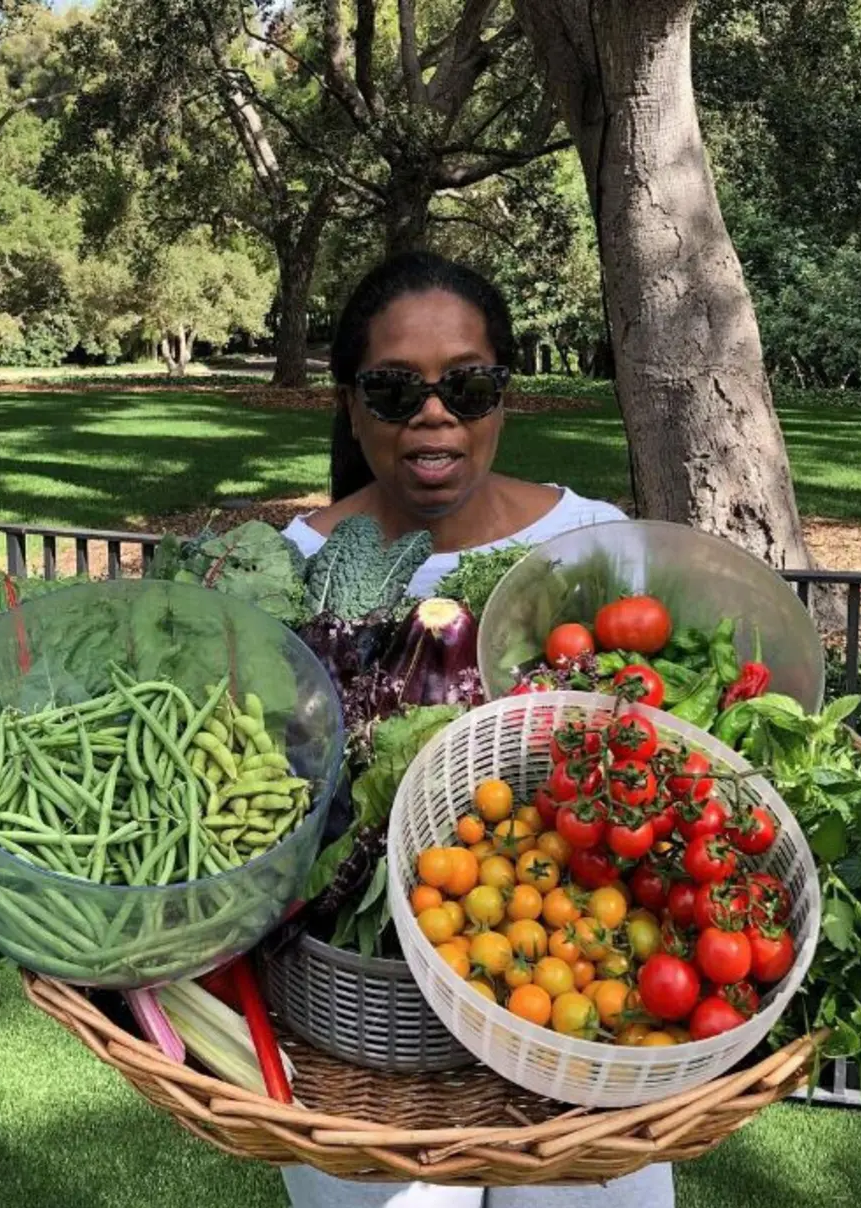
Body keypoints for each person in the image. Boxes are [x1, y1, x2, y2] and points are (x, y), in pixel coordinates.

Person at [280, 251, 675, 1208]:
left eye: (468, 383)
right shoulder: (294, 566)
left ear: (504, 394)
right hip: (369, 1037)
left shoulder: (590, 540)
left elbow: (658, 746)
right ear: (350, 401)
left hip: (576, 1002)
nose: (434, 412)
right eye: (392, 388)